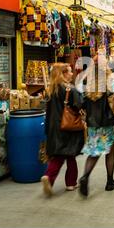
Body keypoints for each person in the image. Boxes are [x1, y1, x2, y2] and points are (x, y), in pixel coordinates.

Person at [79, 57, 114, 197]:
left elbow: (78, 97)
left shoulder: (85, 80)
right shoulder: (109, 80)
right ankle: (110, 182)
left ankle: (85, 176)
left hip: (92, 122)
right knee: (109, 151)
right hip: (108, 121)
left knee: (94, 151)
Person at [40, 63, 85, 196]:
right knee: (69, 154)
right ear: (63, 73)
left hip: (54, 128)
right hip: (68, 127)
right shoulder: (69, 89)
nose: (72, 74)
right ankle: (64, 181)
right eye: (70, 72)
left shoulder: (51, 89)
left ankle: (55, 180)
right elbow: (79, 105)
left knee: (59, 155)